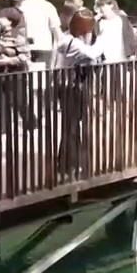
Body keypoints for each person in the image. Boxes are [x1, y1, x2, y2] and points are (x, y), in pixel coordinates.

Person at [52, 10, 103, 179]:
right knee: (71, 127)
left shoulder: (69, 38)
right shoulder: (72, 42)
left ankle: (70, 163)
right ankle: (68, 165)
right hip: (69, 87)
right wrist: (102, 40)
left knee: (72, 126)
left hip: (69, 86)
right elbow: (92, 54)